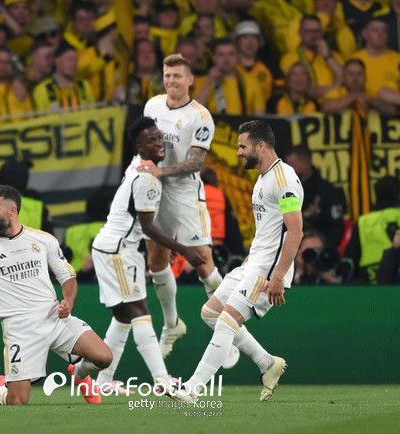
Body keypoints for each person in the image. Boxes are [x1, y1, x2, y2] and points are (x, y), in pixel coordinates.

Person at [0, 184, 112, 405]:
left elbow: (67, 276)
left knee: (104, 357)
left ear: (12, 210)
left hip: (54, 317)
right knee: (18, 401)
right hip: (20, 329)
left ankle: (79, 372)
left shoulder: (44, 240)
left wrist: (69, 301)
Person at [180, 120, 304, 402]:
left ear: (261, 146)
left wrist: (279, 276)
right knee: (210, 313)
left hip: (269, 269)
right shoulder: (263, 178)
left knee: (226, 321)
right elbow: (271, 228)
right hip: (255, 262)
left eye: (242, 146)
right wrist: (251, 257)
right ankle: (267, 363)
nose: (238, 152)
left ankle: (192, 389)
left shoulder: (284, 179)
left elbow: (295, 230)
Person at [91, 116, 206, 396]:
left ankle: (101, 378)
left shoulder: (139, 165)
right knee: (140, 312)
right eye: (150, 140)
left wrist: (168, 245)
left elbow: (146, 226)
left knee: (123, 317)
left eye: (159, 137)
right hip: (119, 251)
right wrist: (183, 249)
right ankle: (162, 379)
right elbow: (148, 227)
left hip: (113, 247)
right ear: (138, 147)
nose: (159, 143)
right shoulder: (147, 178)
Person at [138, 53, 223, 358]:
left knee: (202, 261)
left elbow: (196, 163)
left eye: (177, 76)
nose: (171, 81)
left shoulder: (200, 116)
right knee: (156, 262)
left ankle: (229, 331)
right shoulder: (152, 105)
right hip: (155, 190)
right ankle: (172, 324)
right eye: (167, 75)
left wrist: (162, 172)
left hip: (185, 192)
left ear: (190, 80)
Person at [285, 145, 346, 249]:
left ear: (306, 162)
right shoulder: (287, 192)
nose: (288, 170)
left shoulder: (327, 192)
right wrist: (305, 215)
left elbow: (337, 227)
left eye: (292, 165)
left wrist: (325, 247)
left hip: (319, 246)